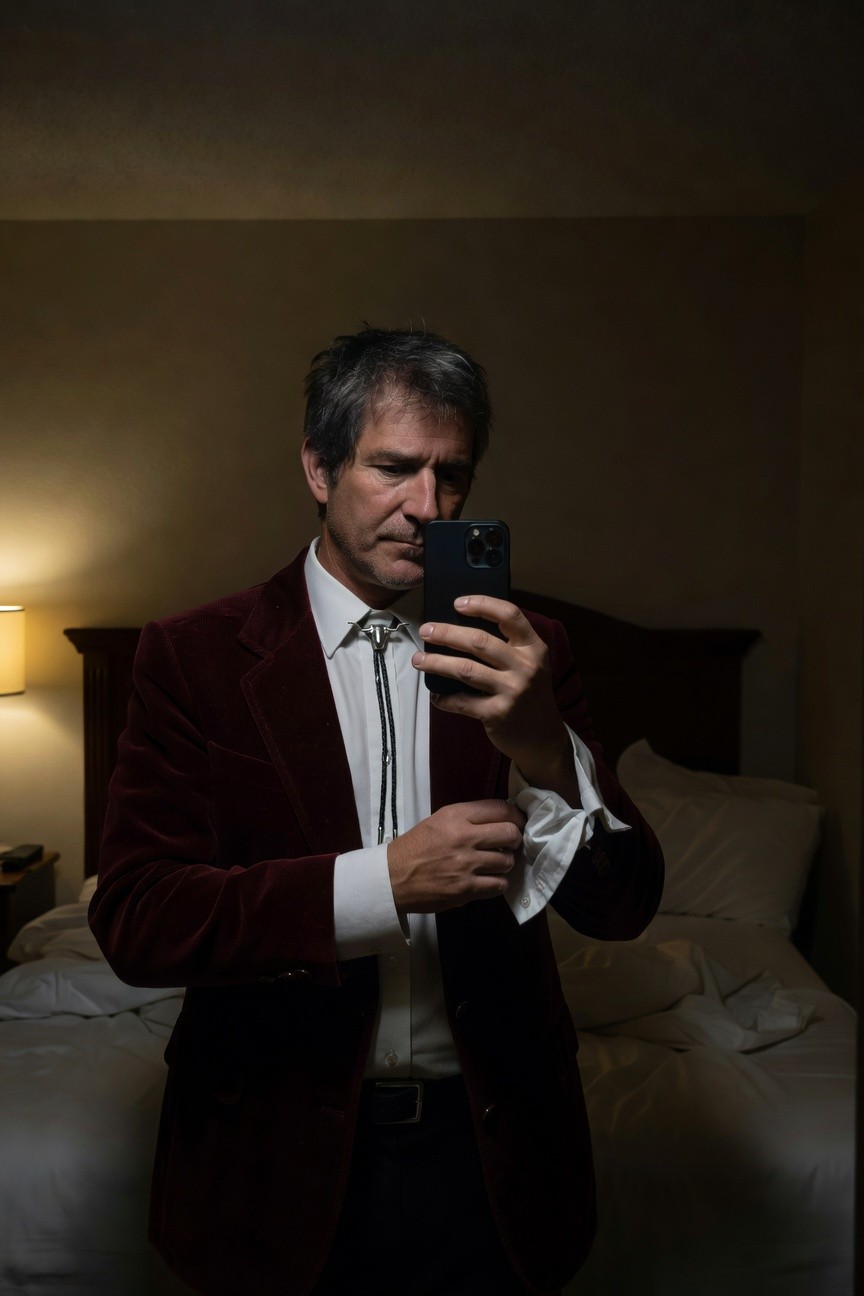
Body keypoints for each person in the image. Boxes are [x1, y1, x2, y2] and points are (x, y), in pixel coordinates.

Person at [90, 326, 663, 1296]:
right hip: (267, 1153)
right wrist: (381, 885)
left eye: (454, 477)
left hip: (494, 1160)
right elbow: (140, 920)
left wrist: (542, 747)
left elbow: (623, 907)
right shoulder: (191, 658)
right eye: (393, 469)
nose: (426, 509)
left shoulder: (528, 649)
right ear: (318, 467)